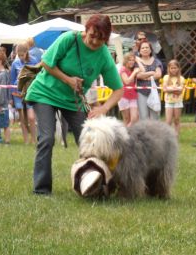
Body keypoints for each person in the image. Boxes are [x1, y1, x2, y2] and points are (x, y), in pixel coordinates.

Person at [25, 14, 123, 195]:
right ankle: (42, 190)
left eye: (100, 39)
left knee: (91, 141)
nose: (94, 42)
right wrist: (68, 80)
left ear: (106, 39)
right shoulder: (69, 39)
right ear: (86, 30)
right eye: (92, 35)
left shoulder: (104, 56)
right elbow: (46, 63)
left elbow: (119, 90)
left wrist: (103, 108)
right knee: (47, 138)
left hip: (73, 101)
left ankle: (97, 184)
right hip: (44, 93)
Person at [10, 43, 38, 144]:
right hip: (18, 93)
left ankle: (34, 139)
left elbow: (37, 76)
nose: (21, 57)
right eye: (19, 55)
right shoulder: (15, 63)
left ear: (27, 52)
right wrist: (12, 95)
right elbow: (12, 80)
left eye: (22, 55)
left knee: (31, 117)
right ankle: (26, 140)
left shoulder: (34, 61)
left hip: (30, 92)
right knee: (22, 118)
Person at [135, 40, 163, 120]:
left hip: (154, 92)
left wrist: (146, 76)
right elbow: (138, 75)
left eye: (147, 47)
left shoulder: (156, 61)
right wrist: (151, 72)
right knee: (143, 116)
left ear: (150, 50)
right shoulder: (136, 62)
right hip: (141, 93)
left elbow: (158, 74)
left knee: (155, 116)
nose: (145, 49)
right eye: (143, 48)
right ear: (139, 51)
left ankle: (155, 133)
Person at [163, 59, 185, 136]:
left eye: (175, 68)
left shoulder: (181, 78)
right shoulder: (166, 77)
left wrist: (170, 89)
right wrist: (175, 89)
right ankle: (166, 136)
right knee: (168, 121)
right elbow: (165, 89)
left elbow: (180, 91)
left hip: (178, 102)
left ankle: (176, 136)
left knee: (176, 120)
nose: (173, 69)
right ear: (169, 68)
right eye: (171, 68)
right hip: (169, 102)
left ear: (178, 68)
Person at [118, 52, 140, 127]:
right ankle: (125, 135)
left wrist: (138, 61)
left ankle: (126, 133)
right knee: (126, 119)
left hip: (133, 96)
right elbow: (127, 81)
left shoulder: (133, 69)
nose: (131, 62)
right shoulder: (122, 69)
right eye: (129, 60)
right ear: (125, 61)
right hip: (123, 96)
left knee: (135, 118)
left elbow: (143, 69)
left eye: (133, 60)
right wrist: (134, 72)